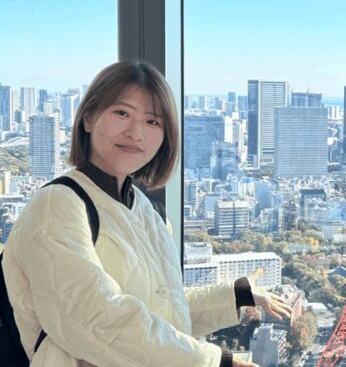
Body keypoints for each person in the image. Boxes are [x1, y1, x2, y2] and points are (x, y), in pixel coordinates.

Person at [2, 61, 291, 366]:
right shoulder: (58, 204)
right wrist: (216, 360)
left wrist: (236, 296)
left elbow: (160, 316)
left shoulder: (148, 210)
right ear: (88, 118)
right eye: (122, 113)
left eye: (153, 122)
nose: (135, 133)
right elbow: (95, 317)